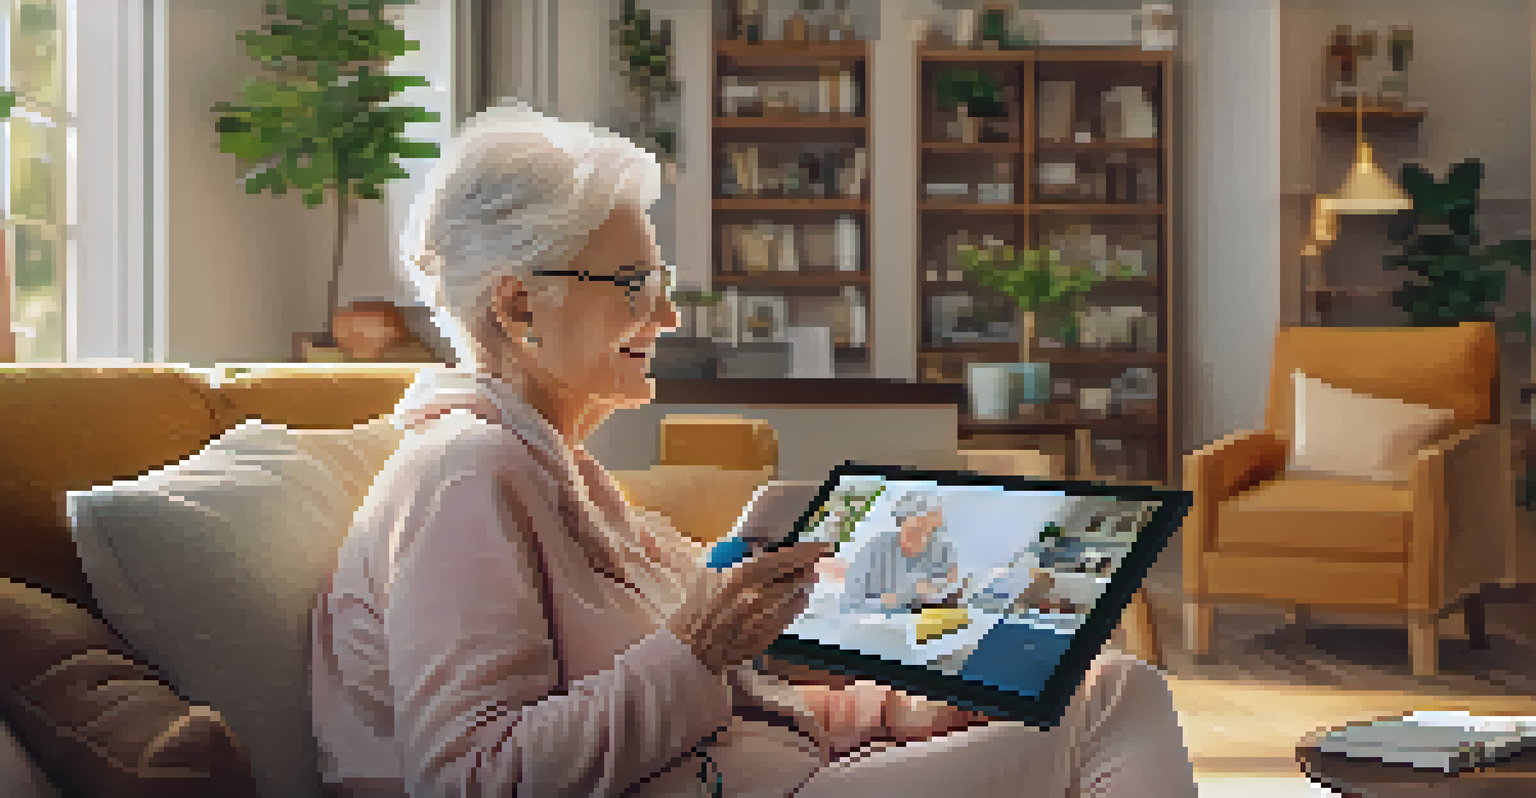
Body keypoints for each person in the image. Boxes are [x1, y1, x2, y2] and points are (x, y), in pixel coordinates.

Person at [309, 102, 1199, 798]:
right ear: (515, 307)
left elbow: (743, 705)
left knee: (1095, 684)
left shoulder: (565, 476)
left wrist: (903, 709)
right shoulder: (465, 475)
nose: (664, 316)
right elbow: (468, 779)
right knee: (1116, 705)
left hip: (779, 772)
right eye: (634, 285)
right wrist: (696, 647)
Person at [841, 492, 962, 613]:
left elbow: (951, 590)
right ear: (901, 523)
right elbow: (851, 602)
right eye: (917, 529)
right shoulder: (876, 550)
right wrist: (903, 596)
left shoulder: (941, 550)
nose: (924, 538)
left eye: (932, 531)